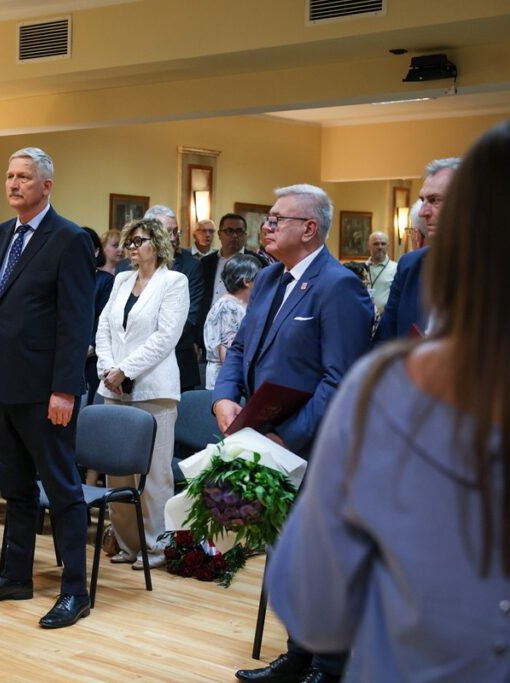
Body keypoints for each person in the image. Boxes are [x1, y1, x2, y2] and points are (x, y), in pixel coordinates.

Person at [267, 116, 510, 683]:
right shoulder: (388, 378)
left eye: (440, 204)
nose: (427, 213)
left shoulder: (386, 397)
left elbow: (315, 608)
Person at [212, 185, 373, 683]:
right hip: (263, 439)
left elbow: (340, 377)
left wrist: (291, 437)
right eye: (269, 218)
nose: (268, 226)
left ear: (310, 228)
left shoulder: (337, 285)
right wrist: (223, 396)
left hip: (315, 446)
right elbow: (239, 349)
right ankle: (299, 654)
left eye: (278, 219)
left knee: (322, 558)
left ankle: (329, 665)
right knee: (287, 553)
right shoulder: (266, 279)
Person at [0, 147, 95, 629]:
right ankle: (14, 576)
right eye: (10, 176)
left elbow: (75, 322)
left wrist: (66, 389)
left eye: (24, 177)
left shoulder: (69, 239)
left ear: (47, 186)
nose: (14, 184)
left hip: (46, 390)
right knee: (15, 488)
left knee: (62, 491)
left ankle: (75, 591)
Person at [95, 217, 188, 569]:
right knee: (117, 471)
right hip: (114, 387)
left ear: (158, 243)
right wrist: (108, 368)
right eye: (129, 242)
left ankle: (157, 546)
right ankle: (126, 543)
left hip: (153, 388)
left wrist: (126, 369)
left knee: (154, 472)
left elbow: (165, 337)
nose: (131, 248)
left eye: (139, 241)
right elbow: (104, 326)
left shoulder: (173, 282)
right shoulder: (121, 280)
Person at [374, 158, 460, 343]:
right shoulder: (410, 266)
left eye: (435, 200)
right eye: (423, 200)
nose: (422, 212)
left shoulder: (502, 271)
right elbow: (385, 342)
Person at [143, 205, 204, 391]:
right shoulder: (127, 267)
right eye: (167, 232)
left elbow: (189, 317)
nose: (172, 238)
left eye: (176, 232)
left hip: (176, 360)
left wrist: (148, 347)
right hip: (130, 366)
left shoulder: (191, 267)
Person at [199, 213, 268, 360]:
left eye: (239, 231)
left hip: (244, 335)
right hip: (208, 334)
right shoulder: (205, 263)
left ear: (245, 234)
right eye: (229, 231)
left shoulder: (258, 262)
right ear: (219, 234)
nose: (234, 236)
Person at [203, 254, 261, 390]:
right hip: (227, 383)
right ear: (247, 281)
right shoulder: (228, 307)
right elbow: (228, 355)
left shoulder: (239, 305)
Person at [82, 227, 115, 404]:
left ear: (96, 251)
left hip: (92, 355)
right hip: (66, 354)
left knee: (88, 406)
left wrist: (91, 345)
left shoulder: (106, 281)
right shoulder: (64, 279)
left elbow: (104, 320)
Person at [364, 231, 397, 317]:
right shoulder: (362, 268)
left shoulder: (396, 268)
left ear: (388, 246)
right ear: (369, 246)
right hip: (364, 316)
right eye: (376, 244)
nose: (380, 247)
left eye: (383, 244)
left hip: (385, 318)